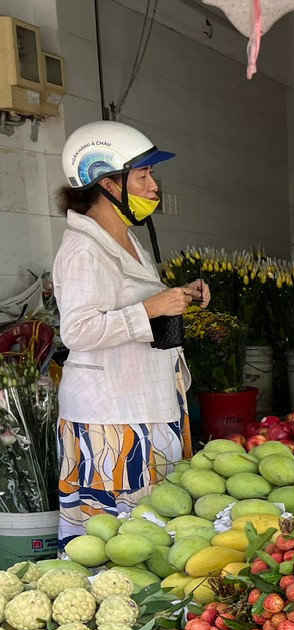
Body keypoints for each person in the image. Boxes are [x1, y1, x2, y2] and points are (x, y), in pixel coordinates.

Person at [52, 121, 210, 540]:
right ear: (107, 183)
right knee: (114, 541)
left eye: (151, 175)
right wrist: (152, 307)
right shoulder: (84, 248)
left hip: (145, 408)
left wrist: (179, 295)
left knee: (149, 537)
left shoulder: (125, 240)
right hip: (112, 422)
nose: (154, 186)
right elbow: (79, 331)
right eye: (143, 176)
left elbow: (131, 304)